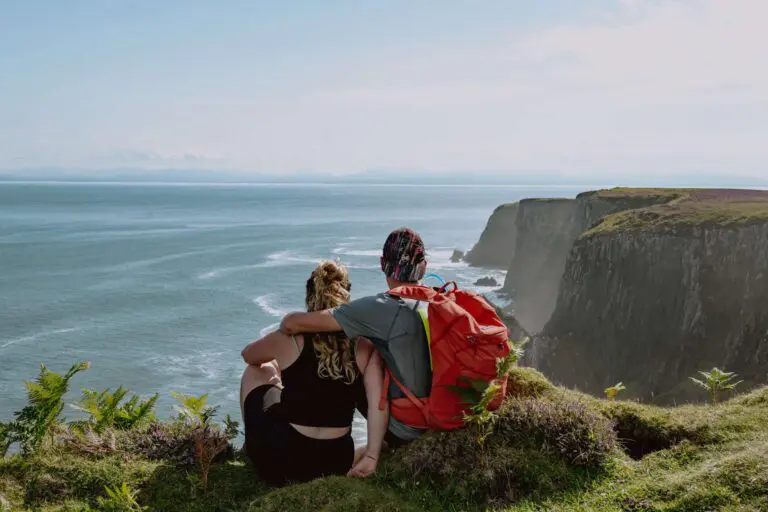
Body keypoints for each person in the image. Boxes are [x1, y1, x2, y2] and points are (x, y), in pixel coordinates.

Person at [280, 227, 431, 448]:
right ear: (424, 266)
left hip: (406, 429)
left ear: (382, 263)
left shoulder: (379, 308)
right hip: (440, 414)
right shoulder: (436, 301)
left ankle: (329, 441)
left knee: (358, 354)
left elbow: (293, 323)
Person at [240, 260, 388, 486]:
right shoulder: (363, 346)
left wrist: (277, 368)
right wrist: (372, 456)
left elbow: (249, 356)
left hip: (283, 463)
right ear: (345, 298)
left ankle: (251, 446)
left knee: (258, 370)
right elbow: (378, 403)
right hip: (335, 461)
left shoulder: (290, 338)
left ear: (311, 296)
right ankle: (365, 452)